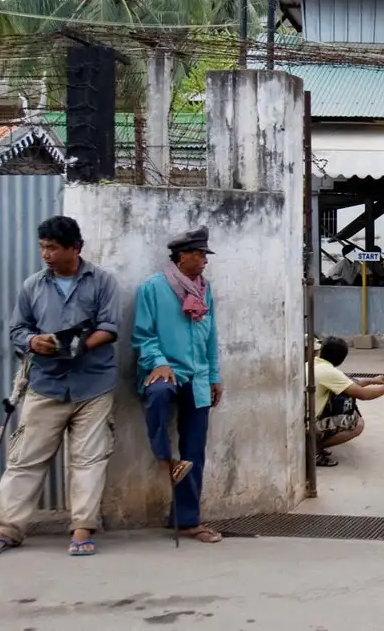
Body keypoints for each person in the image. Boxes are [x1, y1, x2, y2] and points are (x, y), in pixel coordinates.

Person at [0, 216, 120, 557]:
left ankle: (82, 529)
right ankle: (5, 529)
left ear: (75, 248)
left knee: (88, 460)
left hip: (93, 385)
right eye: (43, 247)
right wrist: (34, 341)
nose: (46, 254)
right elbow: (17, 330)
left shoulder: (102, 281)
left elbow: (110, 328)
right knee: (25, 459)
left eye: (53, 248)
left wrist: (78, 345)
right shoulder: (33, 286)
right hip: (45, 384)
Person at [132, 226, 224, 544]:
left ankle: (187, 520)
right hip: (166, 370)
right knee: (157, 394)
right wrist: (158, 361)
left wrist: (214, 376)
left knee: (194, 451)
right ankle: (162, 454)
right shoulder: (153, 288)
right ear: (183, 256)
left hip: (197, 376)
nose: (204, 261)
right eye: (200, 255)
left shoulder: (204, 290)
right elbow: (143, 335)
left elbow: (210, 336)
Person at [314, 336, 384, 466]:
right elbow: (363, 394)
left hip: (300, 421)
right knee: (357, 424)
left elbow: (349, 384)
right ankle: (312, 449)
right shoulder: (328, 372)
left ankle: (313, 444)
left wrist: (372, 380)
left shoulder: (313, 364)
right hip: (308, 425)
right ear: (341, 359)